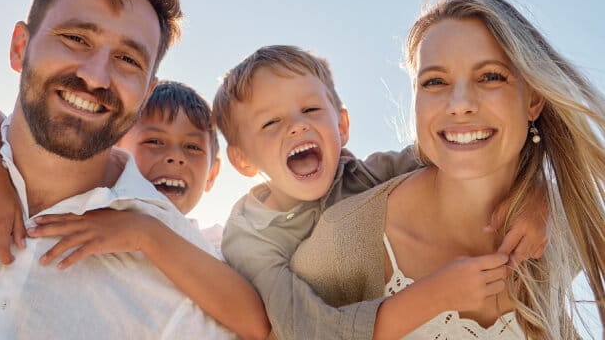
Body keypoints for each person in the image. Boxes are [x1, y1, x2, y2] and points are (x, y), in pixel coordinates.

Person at [0, 0, 238, 338]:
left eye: (128, 60)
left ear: (145, 95)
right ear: (20, 47)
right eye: (75, 38)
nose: (96, 76)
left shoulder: (184, 277)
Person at [289, 0, 605, 339]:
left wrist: (544, 194)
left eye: (490, 76)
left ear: (533, 100)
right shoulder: (343, 242)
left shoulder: (564, 226)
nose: (460, 104)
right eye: (435, 81)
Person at [214, 45, 549, 339]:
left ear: (342, 126)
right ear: (242, 160)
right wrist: (437, 295)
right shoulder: (250, 237)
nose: (297, 125)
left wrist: (536, 194)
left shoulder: (370, 174)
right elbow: (305, 331)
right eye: (270, 123)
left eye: (311, 110)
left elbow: (465, 151)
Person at [0, 81, 270, 339]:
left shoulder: (209, 243)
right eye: (155, 142)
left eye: (192, 147)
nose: (176, 157)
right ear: (114, 147)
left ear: (212, 174)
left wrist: (144, 232)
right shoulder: (85, 201)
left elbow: (254, 323)